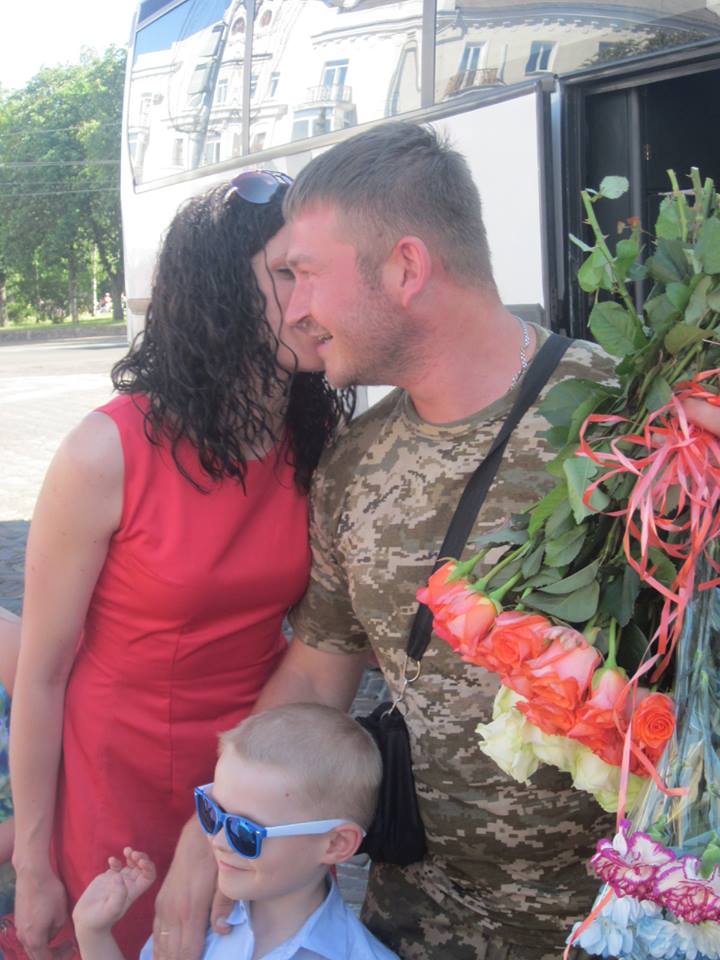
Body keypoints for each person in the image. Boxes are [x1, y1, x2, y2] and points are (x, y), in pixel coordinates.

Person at [147, 124, 720, 959]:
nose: (294, 310)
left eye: (305, 273)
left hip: (620, 926)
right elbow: (317, 670)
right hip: (415, 928)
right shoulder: (352, 462)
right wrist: (209, 830)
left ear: (406, 268)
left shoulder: (637, 433)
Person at [9, 170, 353, 960]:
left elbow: (326, 645)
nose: (311, 298)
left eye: (317, 271)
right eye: (285, 273)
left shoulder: (320, 446)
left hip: (259, 765)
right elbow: (42, 675)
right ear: (218, 292)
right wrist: (32, 860)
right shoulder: (107, 451)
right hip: (117, 774)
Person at [72, 704, 397, 960]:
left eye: (245, 831)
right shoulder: (194, 919)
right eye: (211, 812)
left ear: (336, 843)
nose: (218, 841)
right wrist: (93, 935)